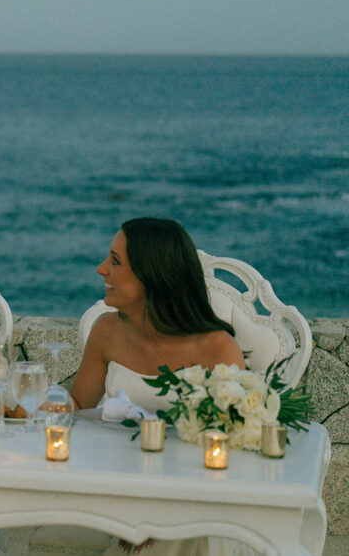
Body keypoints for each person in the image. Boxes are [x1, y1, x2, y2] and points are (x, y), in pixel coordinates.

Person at [70, 218, 252, 556]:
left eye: (115, 261)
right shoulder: (107, 330)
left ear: (151, 275)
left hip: (194, 499)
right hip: (117, 486)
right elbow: (77, 403)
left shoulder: (217, 349)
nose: (100, 269)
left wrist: (160, 514)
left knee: (188, 537)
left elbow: (229, 450)